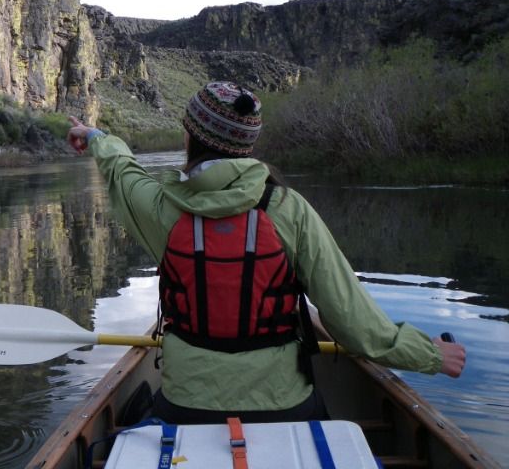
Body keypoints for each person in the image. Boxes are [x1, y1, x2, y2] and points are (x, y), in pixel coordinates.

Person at [67, 81, 466, 424]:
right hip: (285, 403)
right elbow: (353, 322)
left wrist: (96, 136)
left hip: (186, 402)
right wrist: (429, 354)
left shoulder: (159, 209)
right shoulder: (289, 209)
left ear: (189, 137)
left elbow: (122, 168)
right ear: (248, 144)